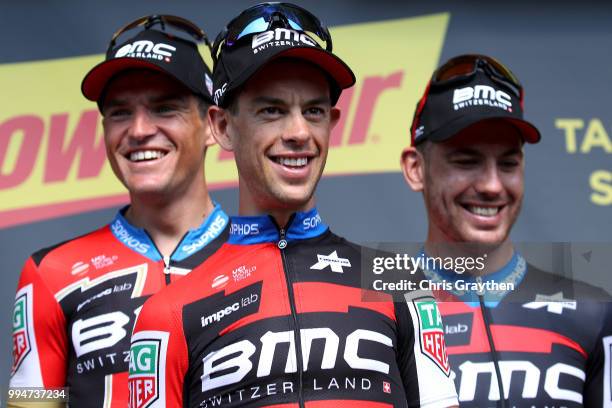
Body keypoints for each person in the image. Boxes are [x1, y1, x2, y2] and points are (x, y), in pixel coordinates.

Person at [129, 3, 458, 407]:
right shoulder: (166, 316)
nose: (299, 132)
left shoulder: (405, 287)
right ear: (223, 127)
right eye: (272, 111)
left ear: (332, 124)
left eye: (313, 111)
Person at [8, 15, 229, 407]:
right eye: (120, 112)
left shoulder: (263, 254)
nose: (139, 130)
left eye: (165, 108)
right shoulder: (49, 273)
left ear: (213, 126)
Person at [401, 54, 612, 407]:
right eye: (466, 161)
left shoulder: (592, 312)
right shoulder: (381, 311)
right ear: (416, 169)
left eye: (508, 163)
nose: (492, 185)